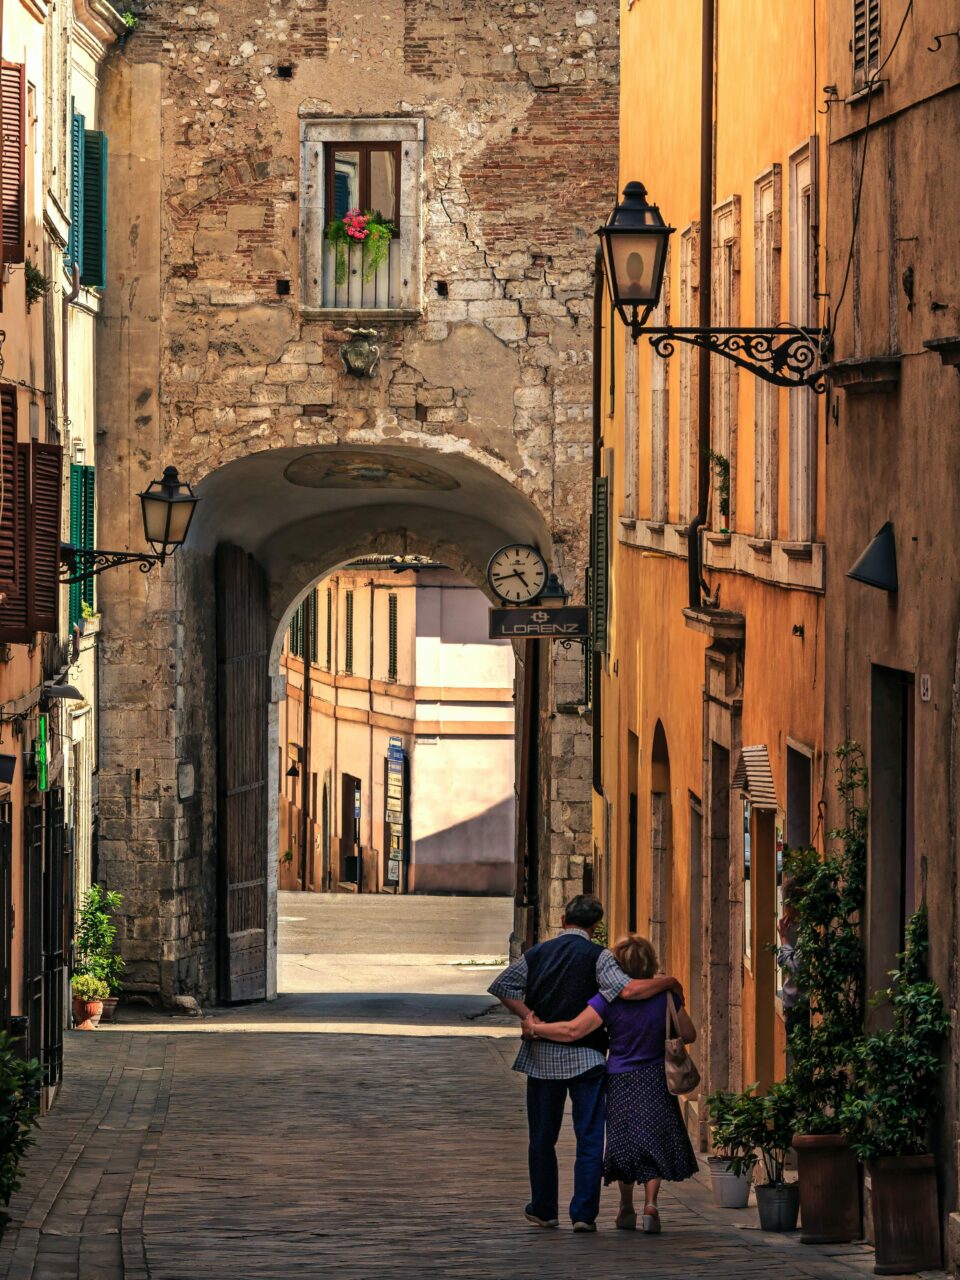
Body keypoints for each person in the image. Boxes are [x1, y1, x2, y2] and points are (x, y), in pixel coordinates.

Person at [488, 895, 682, 1233]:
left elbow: (502, 985)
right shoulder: (600, 957)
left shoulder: (537, 954)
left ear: (563, 920)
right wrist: (668, 982)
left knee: (542, 1137)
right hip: (588, 1059)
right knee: (589, 1139)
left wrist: (528, 1016)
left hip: (542, 1060)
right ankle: (583, 1214)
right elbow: (628, 992)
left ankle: (545, 1208)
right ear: (595, 926)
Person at [523, 933, 698, 1235]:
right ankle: (651, 1205)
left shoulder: (607, 999)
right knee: (652, 1139)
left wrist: (536, 1028)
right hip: (655, 1077)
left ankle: (625, 1206)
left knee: (624, 1143)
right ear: (651, 962)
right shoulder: (667, 996)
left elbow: (574, 1029)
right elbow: (689, 1033)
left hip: (619, 1078)